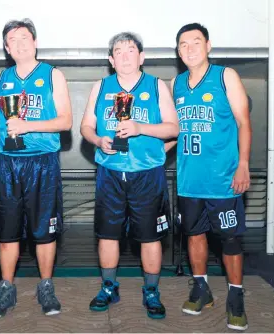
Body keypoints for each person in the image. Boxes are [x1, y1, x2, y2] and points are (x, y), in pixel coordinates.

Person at [0, 18, 72, 318]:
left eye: (24, 38)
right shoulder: (1, 78)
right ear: (6, 47)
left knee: (44, 231)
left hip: (42, 162)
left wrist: (28, 125)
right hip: (8, 163)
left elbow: (65, 121)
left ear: (35, 42)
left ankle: (46, 286)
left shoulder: (53, 75)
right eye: (12, 40)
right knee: (6, 232)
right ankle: (6, 288)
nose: (18, 43)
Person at [80, 32, 179, 319]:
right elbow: (86, 127)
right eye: (118, 51)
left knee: (150, 238)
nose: (125, 55)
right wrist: (98, 141)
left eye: (130, 50)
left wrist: (140, 128)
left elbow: (173, 128)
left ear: (141, 57)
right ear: (111, 60)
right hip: (110, 173)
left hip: (147, 173)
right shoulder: (101, 87)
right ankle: (109, 286)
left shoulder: (156, 85)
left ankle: (151, 291)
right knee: (107, 236)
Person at [169, 23, 251, 331]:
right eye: (183, 44)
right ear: (178, 51)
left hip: (223, 179)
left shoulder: (225, 76)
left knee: (229, 239)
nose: (189, 48)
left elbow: (243, 122)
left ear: (208, 45)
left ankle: (236, 295)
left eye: (195, 42)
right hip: (189, 180)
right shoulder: (176, 83)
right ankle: (201, 288)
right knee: (194, 235)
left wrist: (243, 163)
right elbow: (174, 131)